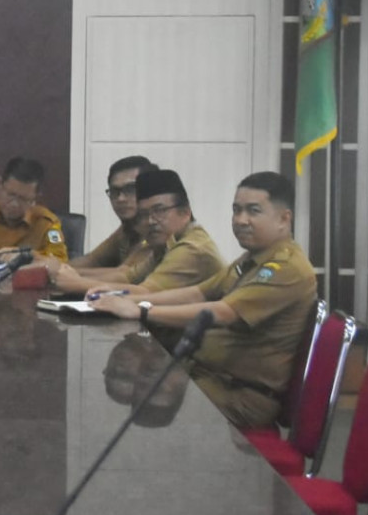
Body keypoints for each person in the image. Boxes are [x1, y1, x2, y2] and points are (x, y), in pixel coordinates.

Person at [90, 172, 317, 429]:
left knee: (135, 403)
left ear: (284, 218)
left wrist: (142, 311)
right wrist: (127, 296)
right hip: (208, 375)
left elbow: (223, 312)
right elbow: (198, 292)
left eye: (253, 211)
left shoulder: (286, 267)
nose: (241, 220)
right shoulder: (252, 259)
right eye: (236, 210)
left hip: (239, 394)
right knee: (122, 400)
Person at [52, 169, 223, 296]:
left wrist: (77, 283)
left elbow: (145, 293)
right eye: (143, 214)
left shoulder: (192, 248)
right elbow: (128, 278)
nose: (150, 221)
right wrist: (67, 273)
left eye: (160, 211)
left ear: (185, 212)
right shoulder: (167, 243)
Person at [70, 155, 158, 270]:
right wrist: (51, 269)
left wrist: (58, 273)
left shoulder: (158, 231)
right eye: (115, 191)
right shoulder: (128, 229)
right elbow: (92, 260)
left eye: (130, 189)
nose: (120, 198)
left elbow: (124, 275)